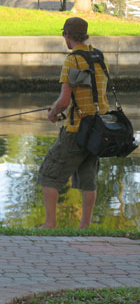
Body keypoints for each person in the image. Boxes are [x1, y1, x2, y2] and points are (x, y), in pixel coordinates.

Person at [37, 17, 109, 229]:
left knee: (49, 174)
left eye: (64, 35)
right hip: (98, 128)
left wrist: (53, 113)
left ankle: (50, 224)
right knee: (88, 177)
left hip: (77, 129)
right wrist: (58, 106)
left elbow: (65, 100)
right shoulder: (98, 56)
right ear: (85, 34)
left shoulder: (72, 60)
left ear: (67, 35)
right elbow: (90, 93)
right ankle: (84, 227)